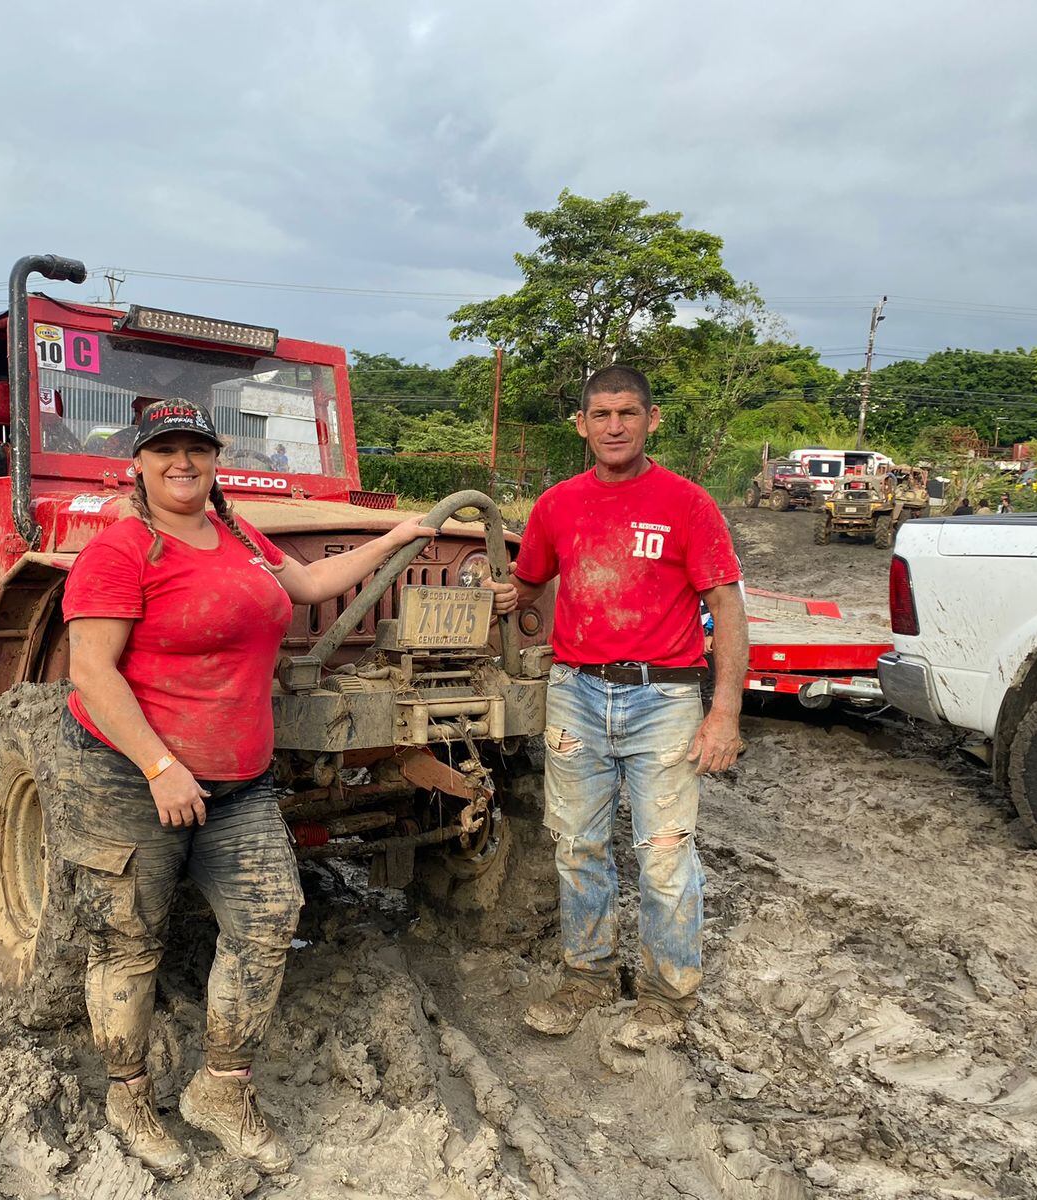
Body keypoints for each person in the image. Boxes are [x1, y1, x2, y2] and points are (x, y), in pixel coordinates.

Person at [61, 398, 506, 1178]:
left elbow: (307, 584)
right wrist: (161, 766)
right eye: (165, 450)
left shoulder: (235, 532)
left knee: (270, 919)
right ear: (138, 461)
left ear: (213, 457)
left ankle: (219, 1092)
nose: (182, 464)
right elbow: (91, 672)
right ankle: (128, 1096)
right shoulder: (123, 550)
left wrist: (395, 540)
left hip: (239, 781)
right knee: (129, 943)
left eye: (195, 449)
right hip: (130, 774)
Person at [506, 365, 748, 1052]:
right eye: (601, 414)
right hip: (576, 694)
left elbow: (727, 606)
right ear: (580, 425)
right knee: (578, 846)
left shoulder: (688, 504)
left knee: (665, 854)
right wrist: (501, 598)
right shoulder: (556, 505)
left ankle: (668, 995)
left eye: (628, 414)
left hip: (664, 698)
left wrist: (723, 710)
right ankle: (586, 978)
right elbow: (528, 583)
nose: (615, 426)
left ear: (652, 420)